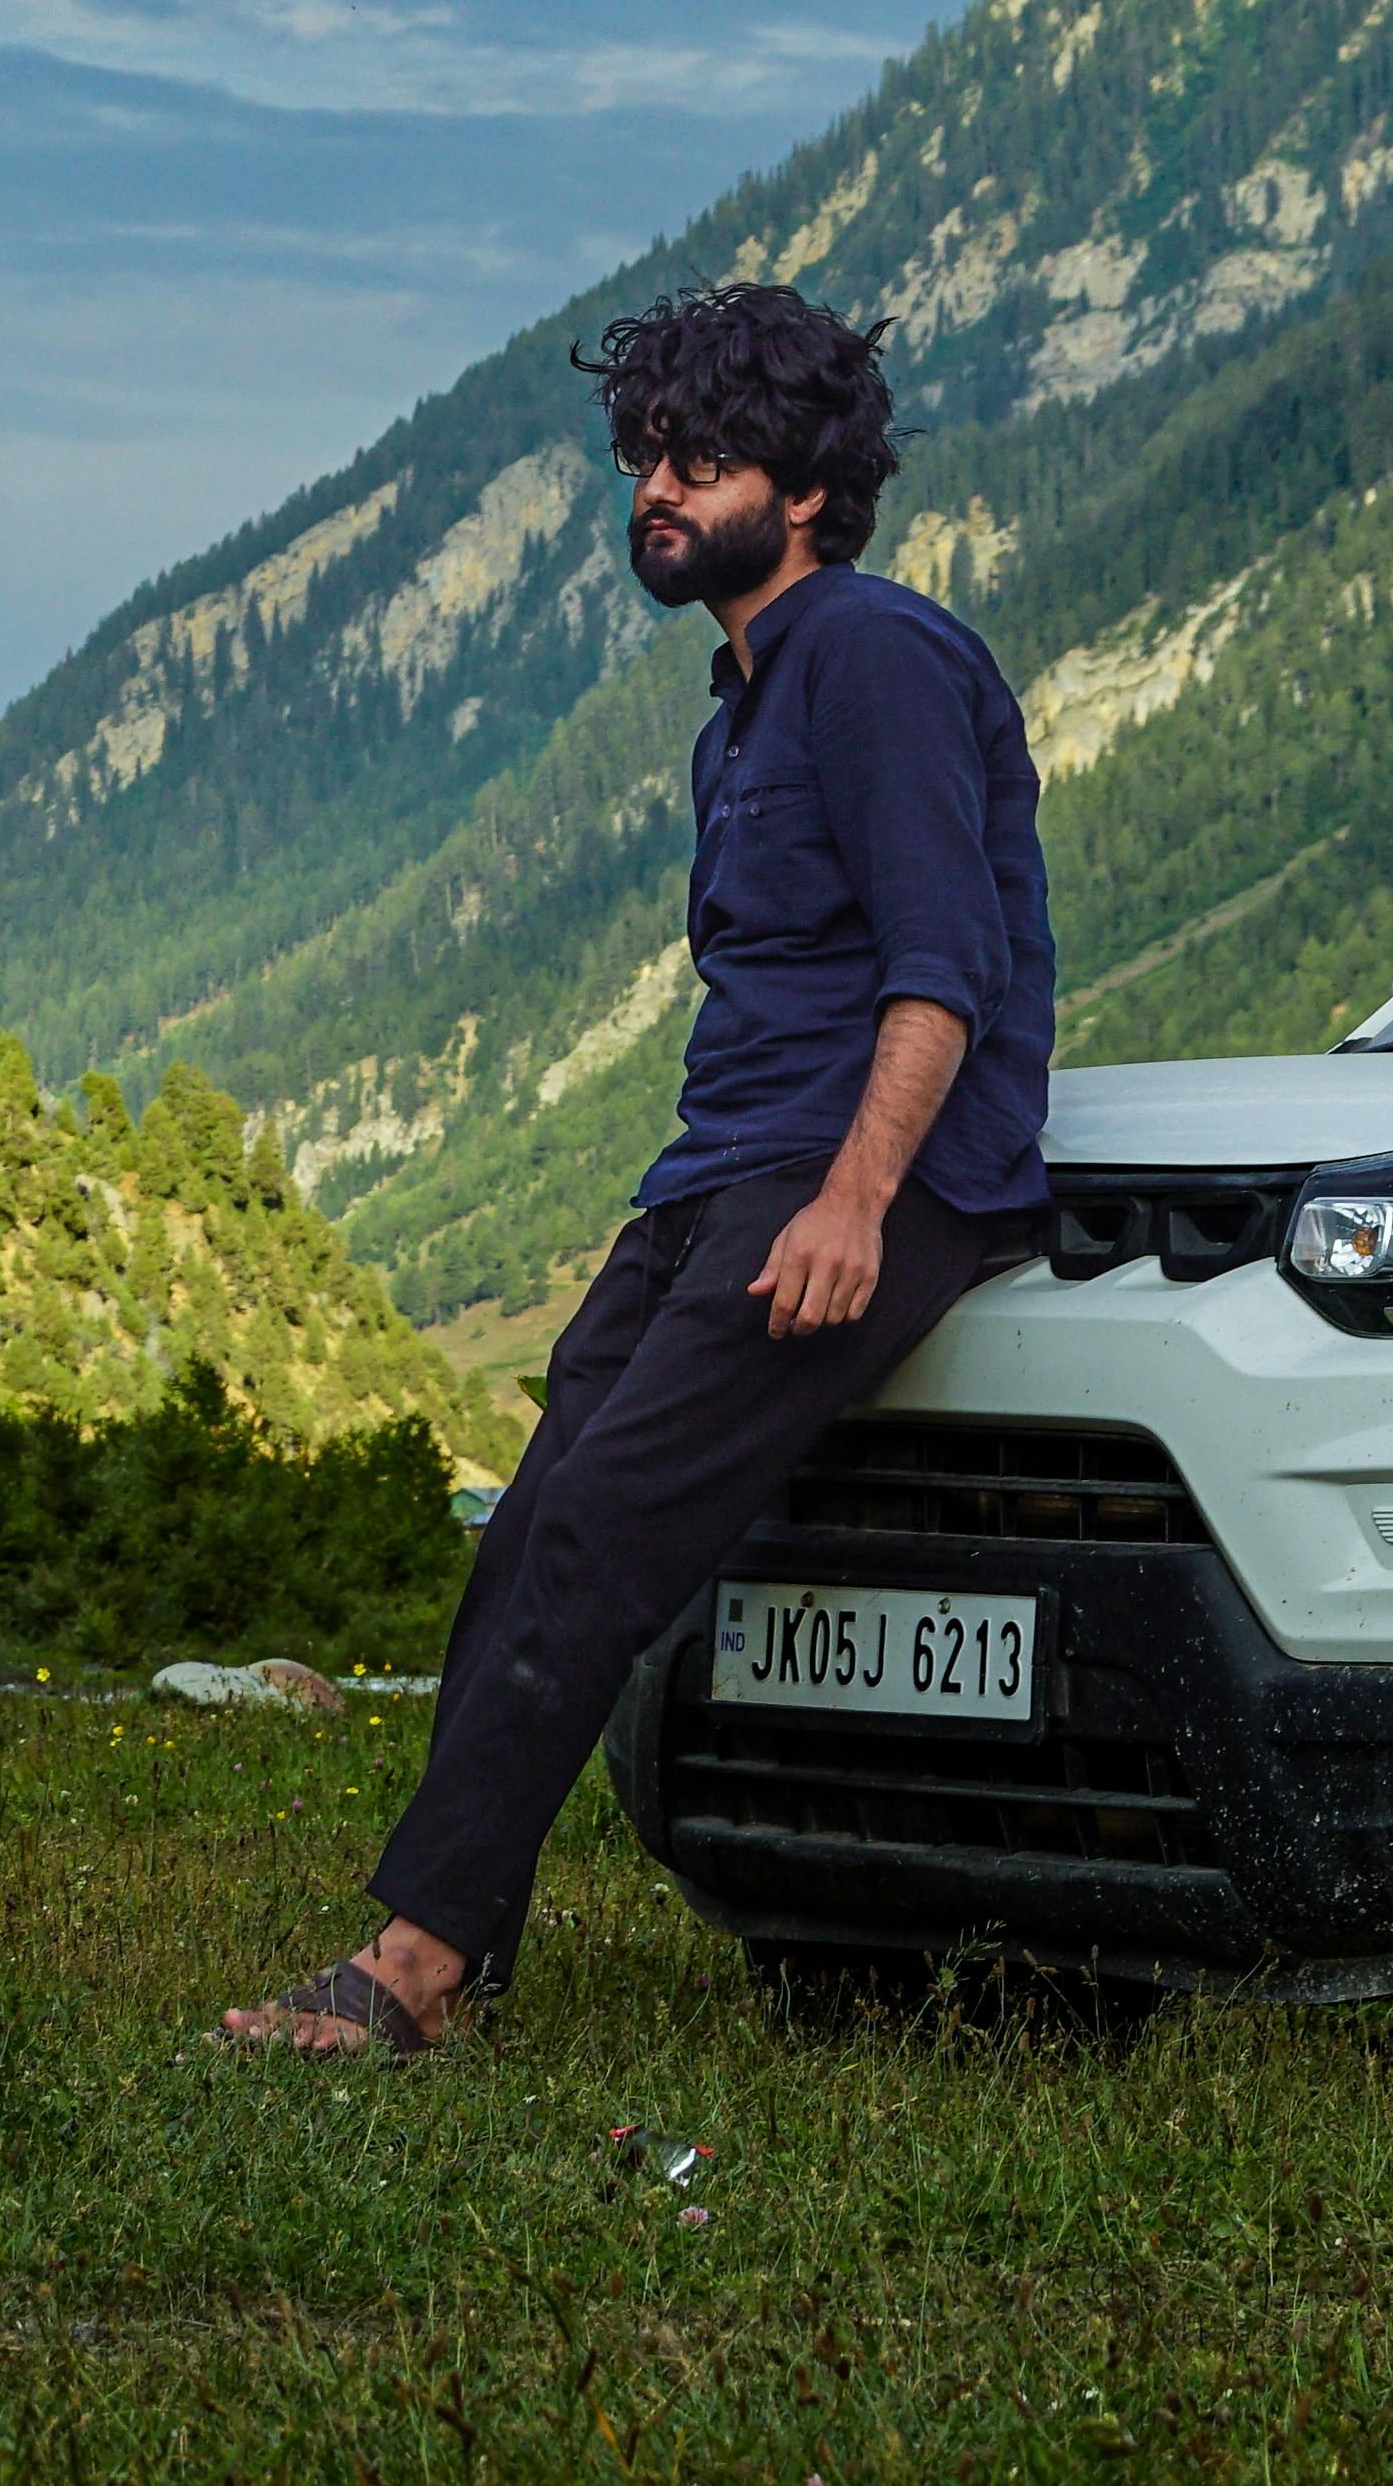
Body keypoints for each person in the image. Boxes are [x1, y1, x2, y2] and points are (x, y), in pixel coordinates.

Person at [223, 283, 1055, 2057]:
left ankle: (413, 1974)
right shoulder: (740, 705)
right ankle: (467, 1940)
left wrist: (855, 1202)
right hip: (722, 1174)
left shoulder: (872, 654)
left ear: (810, 488)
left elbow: (945, 964)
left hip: (860, 1181)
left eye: (702, 459)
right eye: (644, 459)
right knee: (527, 1533)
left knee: (607, 1532)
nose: (656, 491)